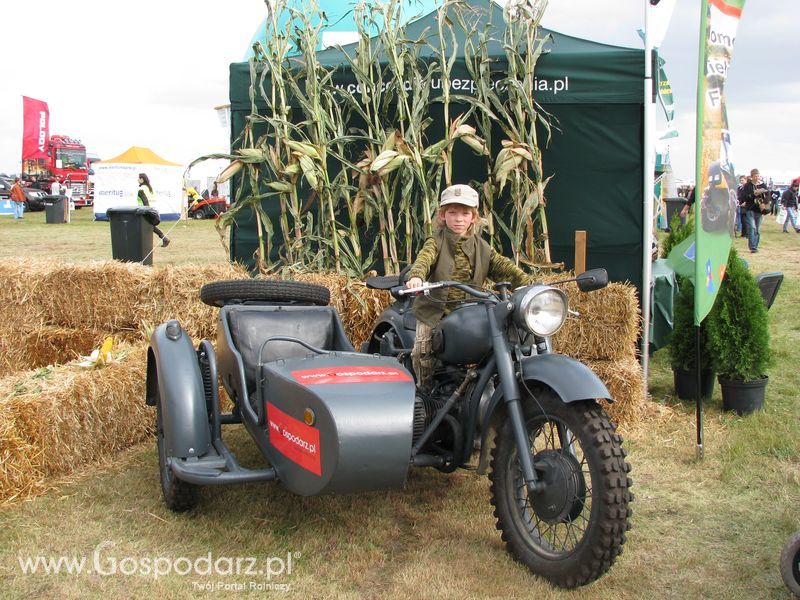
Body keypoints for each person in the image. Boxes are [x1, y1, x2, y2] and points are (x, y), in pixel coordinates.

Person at [405, 184, 535, 390]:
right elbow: (424, 259)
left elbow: (504, 267)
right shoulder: (436, 242)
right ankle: (424, 392)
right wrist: (417, 277)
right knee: (423, 350)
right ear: (442, 215)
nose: (458, 219)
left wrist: (530, 285)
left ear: (473, 217)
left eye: (465, 214)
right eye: (452, 212)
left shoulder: (482, 247)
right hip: (436, 311)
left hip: (470, 314)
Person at [737, 168, 768, 253]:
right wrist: (753, 195)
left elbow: (767, 197)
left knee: (757, 229)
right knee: (752, 227)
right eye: (755, 176)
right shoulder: (747, 186)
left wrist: (764, 201)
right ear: (751, 177)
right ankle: (752, 246)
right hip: (750, 208)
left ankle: (755, 246)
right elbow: (743, 197)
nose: (757, 177)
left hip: (759, 209)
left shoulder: (763, 185)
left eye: (758, 176)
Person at [137, 173, 170, 247]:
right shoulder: (149, 188)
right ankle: (164, 239)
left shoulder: (141, 189)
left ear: (142, 179)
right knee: (149, 226)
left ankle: (164, 239)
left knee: (146, 226)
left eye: (139, 178)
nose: (138, 180)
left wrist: (146, 211)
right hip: (153, 210)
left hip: (145, 210)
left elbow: (145, 201)